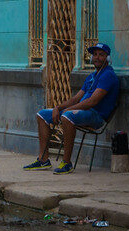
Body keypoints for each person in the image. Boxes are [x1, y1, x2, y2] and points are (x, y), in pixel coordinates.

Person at [24, 42, 119, 174]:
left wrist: (68, 110)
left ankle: (67, 163)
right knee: (42, 115)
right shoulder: (91, 77)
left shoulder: (108, 75)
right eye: (95, 54)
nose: (97, 57)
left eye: (101, 55)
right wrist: (58, 107)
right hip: (82, 111)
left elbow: (92, 101)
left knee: (67, 116)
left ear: (107, 58)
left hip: (96, 115)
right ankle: (43, 159)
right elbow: (76, 98)